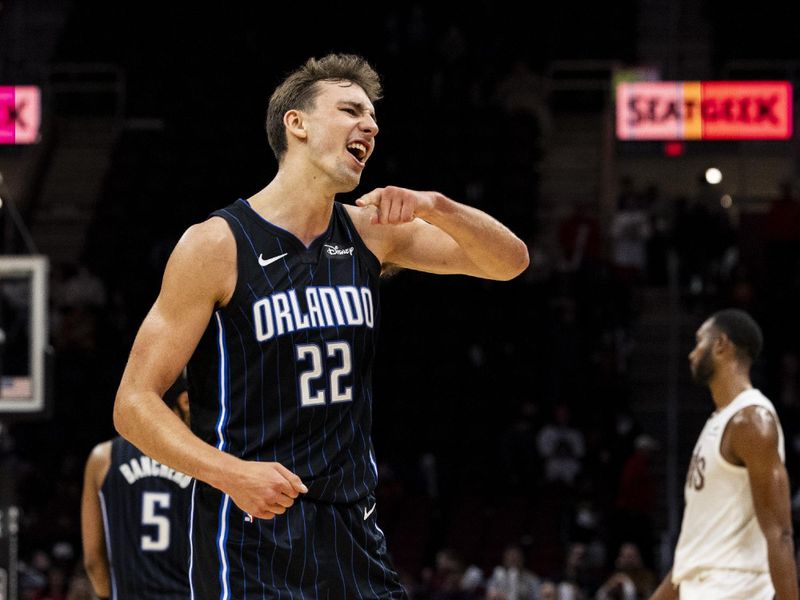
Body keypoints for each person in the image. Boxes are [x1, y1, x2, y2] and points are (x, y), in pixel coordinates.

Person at [112, 53, 529, 599]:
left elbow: (510, 262)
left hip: (353, 527)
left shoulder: (370, 233)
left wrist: (437, 205)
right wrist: (231, 474)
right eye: (351, 109)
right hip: (249, 533)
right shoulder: (215, 244)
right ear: (298, 123)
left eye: (374, 117)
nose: (371, 126)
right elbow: (134, 403)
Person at [650, 309, 798, 600]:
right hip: (702, 588)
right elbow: (696, 556)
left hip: (736, 589)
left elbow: (780, 533)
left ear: (721, 345)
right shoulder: (720, 422)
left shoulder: (753, 422)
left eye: (699, 342)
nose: (692, 354)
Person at [82, 374, 192, 599]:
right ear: (184, 402)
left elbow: (92, 560)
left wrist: (109, 595)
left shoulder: (103, 458)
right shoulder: (208, 463)